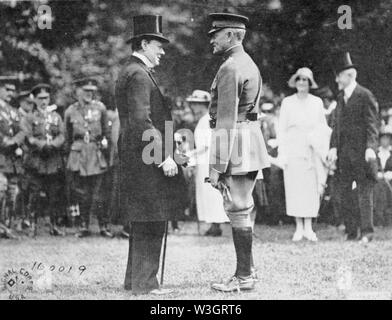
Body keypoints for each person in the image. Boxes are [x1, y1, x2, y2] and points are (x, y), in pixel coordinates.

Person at [115, 15, 187, 295]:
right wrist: (163, 157)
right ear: (144, 43)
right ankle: (145, 284)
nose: (162, 51)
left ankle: (134, 280)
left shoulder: (132, 71)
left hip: (140, 156)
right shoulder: (138, 74)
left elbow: (150, 120)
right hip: (145, 159)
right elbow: (142, 121)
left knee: (143, 219)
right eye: (158, 45)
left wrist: (173, 146)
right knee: (151, 218)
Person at [206, 13, 270, 292]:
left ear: (231, 35)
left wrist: (216, 166)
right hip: (248, 139)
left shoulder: (231, 67)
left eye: (216, 34)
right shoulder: (248, 62)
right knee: (241, 207)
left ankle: (244, 276)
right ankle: (247, 271)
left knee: (238, 207)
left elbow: (226, 120)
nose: (211, 39)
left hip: (237, 142)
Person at [327, 52, 380, 243]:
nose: (336, 79)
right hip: (344, 155)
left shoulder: (365, 95)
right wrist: (333, 147)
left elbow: (373, 125)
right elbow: (336, 126)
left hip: (363, 154)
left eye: (339, 75)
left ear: (350, 75)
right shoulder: (341, 98)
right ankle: (351, 232)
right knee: (346, 194)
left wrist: (371, 148)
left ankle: (367, 233)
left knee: (365, 193)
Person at [278, 67, 331, 242]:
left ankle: (308, 227)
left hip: (311, 150)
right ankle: (298, 227)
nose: (302, 83)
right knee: (294, 188)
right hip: (293, 149)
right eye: (299, 79)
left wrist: (318, 144)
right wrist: (282, 152)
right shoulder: (287, 102)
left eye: (305, 80)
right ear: (295, 82)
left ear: (310, 83)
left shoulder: (316, 103)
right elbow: (281, 129)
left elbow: (322, 128)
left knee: (310, 189)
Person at [64, 77, 113, 238]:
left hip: (95, 154)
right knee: (81, 193)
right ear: (78, 92)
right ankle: (83, 225)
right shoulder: (71, 111)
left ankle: (103, 225)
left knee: (99, 193)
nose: (89, 94)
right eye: (85, 91)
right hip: (78, 156)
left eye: (91, 91)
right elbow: (68, 136)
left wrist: (105, 145)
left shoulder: (100, 108)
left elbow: (106, 132)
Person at [23, 83, 65, 236]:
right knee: (34, 194)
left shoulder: (56, 117)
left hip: (53, 161)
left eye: (46, 98)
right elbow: (28, 137)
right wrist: (42, 145)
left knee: (54, 194)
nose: (43, 101)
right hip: (37, 161)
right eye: (40, 98)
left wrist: (53, 145)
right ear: (34, 99)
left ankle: (53, 225)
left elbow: (62, 135)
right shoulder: (29, 117)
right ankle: (32, 226)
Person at [187, 90, 229, 236]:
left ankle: (216, 224)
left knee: (211, 193)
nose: (193, 107)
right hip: (204, 161)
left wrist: (189, 154)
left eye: (196, 104)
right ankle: (213, 223)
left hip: (208, 161)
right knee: (206, 193)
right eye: (193, 103)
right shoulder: (204, 120)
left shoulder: (207, 120)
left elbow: (205, 146)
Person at [0, 76, 25, 239]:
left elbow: (22, 130)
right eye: (6, 89)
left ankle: (5, 226)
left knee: (12, 193)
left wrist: (14, 141)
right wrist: (5, 142)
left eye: (12, 90)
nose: (10, 93)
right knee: (0, 190)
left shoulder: (13, 112)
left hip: (12, 160)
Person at [373, 127, 392, 226]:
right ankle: (379, 219)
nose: (385, 141)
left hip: (390, 180)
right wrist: (378, 174)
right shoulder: (375, 153)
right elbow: (371, 168)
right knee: (379, 188)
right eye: (383, 138)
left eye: (387, 138)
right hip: (378, 180)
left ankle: (388, 219)